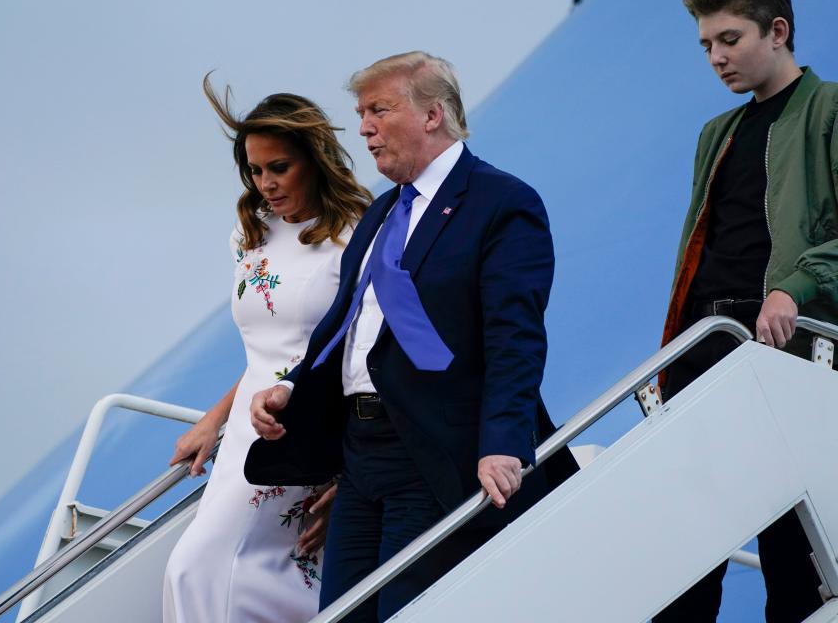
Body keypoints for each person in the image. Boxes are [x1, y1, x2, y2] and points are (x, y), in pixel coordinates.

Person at [246, 51, 578, 621]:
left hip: (433, 448)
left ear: (433, 114)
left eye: (380, 108)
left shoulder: (501, 202)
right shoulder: (379, 215)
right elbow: (345, 329)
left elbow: (514, 336)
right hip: (361, 455)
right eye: (361, 112)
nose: (365, 127)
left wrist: (503, 442)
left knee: (407, 612)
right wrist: (292, 389)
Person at [655, 0, 837, 620]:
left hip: (784, 344)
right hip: (703, 345)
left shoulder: (831, 109)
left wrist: (797, 286)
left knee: (791, 540)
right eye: (706, 45)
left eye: (729, 40)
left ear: (778, 32)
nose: (715, 57)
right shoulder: (716, 133)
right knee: (683, 537)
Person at [162, 75, 373, 623]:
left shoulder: (359, 235)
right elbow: (264, 351)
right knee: (250, 575)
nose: (266, 184)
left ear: (314, 157)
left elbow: (365, 355)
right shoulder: (250, 234)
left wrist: (350, 468)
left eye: (279, 167)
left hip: (307, 426)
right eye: (255, 171)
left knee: (198, 567)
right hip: (244, 429)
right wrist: (213, 420)